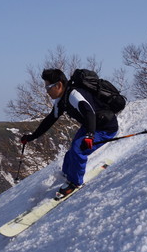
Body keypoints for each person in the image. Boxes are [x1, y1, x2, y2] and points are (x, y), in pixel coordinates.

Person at [21, 68, 118, 198]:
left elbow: (89, 112)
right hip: (91, 126)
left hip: (105, 127)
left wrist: (89, 135)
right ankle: (67, 174)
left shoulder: (73, 95)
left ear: (59, 85)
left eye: (48, 87)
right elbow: (49, 120)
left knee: (79, 149)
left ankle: (75, 182)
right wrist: (31, 137)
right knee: (73, 149)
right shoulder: (62, 100)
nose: (47, 91)